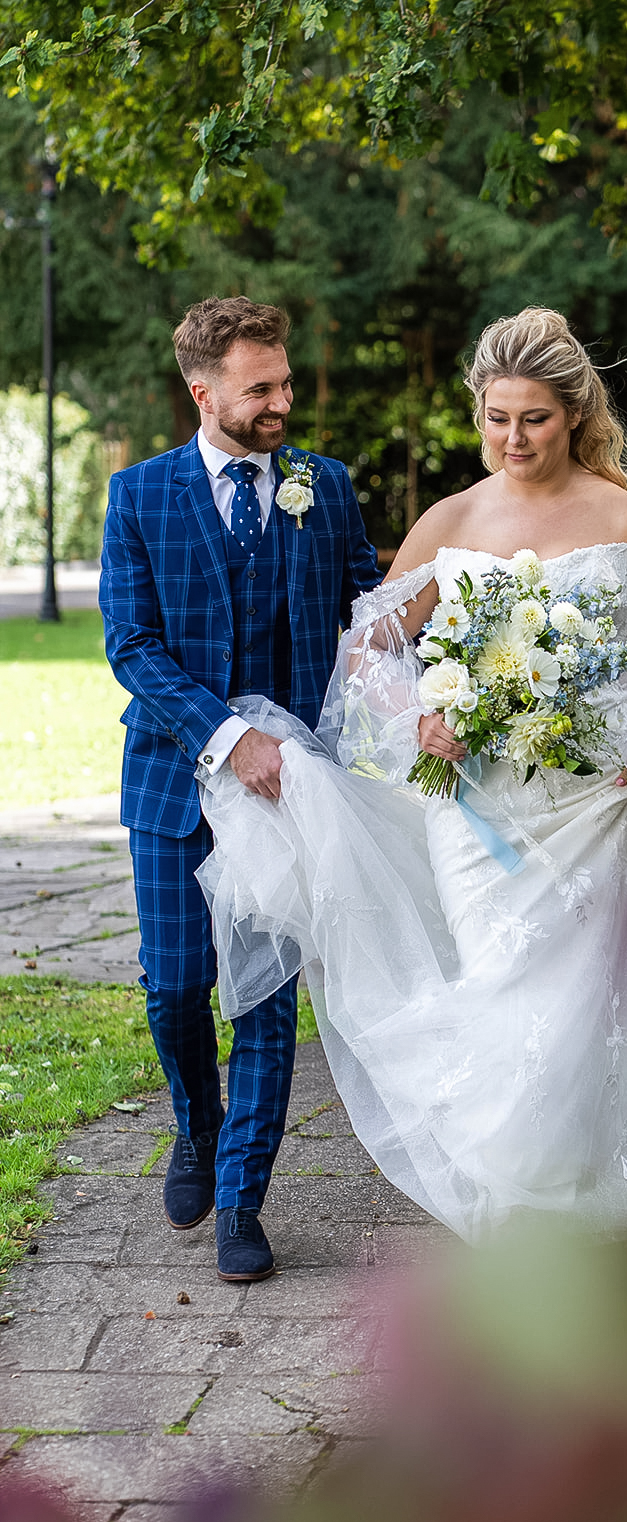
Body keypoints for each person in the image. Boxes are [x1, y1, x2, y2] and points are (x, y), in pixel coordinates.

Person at [198, 306, 627, 1243]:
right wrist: (417, 717)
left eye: (535, 419)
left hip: (597, 798)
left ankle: (599, 1201)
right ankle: (518, 1206)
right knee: (506, 988)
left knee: (602, 998)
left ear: (573, 414)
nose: (513, 438)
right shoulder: (452, 519)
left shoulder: (624, 517)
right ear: (479, 413)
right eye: (497, 417)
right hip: (476, 810)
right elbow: (370, 650)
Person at [99, 296, 381, 1281]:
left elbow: (369, 618)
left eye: (285, 382)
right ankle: (196, 1122)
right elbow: (131, 646)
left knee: (265, 1000)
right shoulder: (138, 497)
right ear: (203, 390)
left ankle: (238, 1197)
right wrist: (227, 735)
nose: (281, 402)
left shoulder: (324, 487)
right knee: (178, 992)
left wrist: (444, 684)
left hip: (289, 792)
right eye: (260, 388)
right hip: (177, 782)